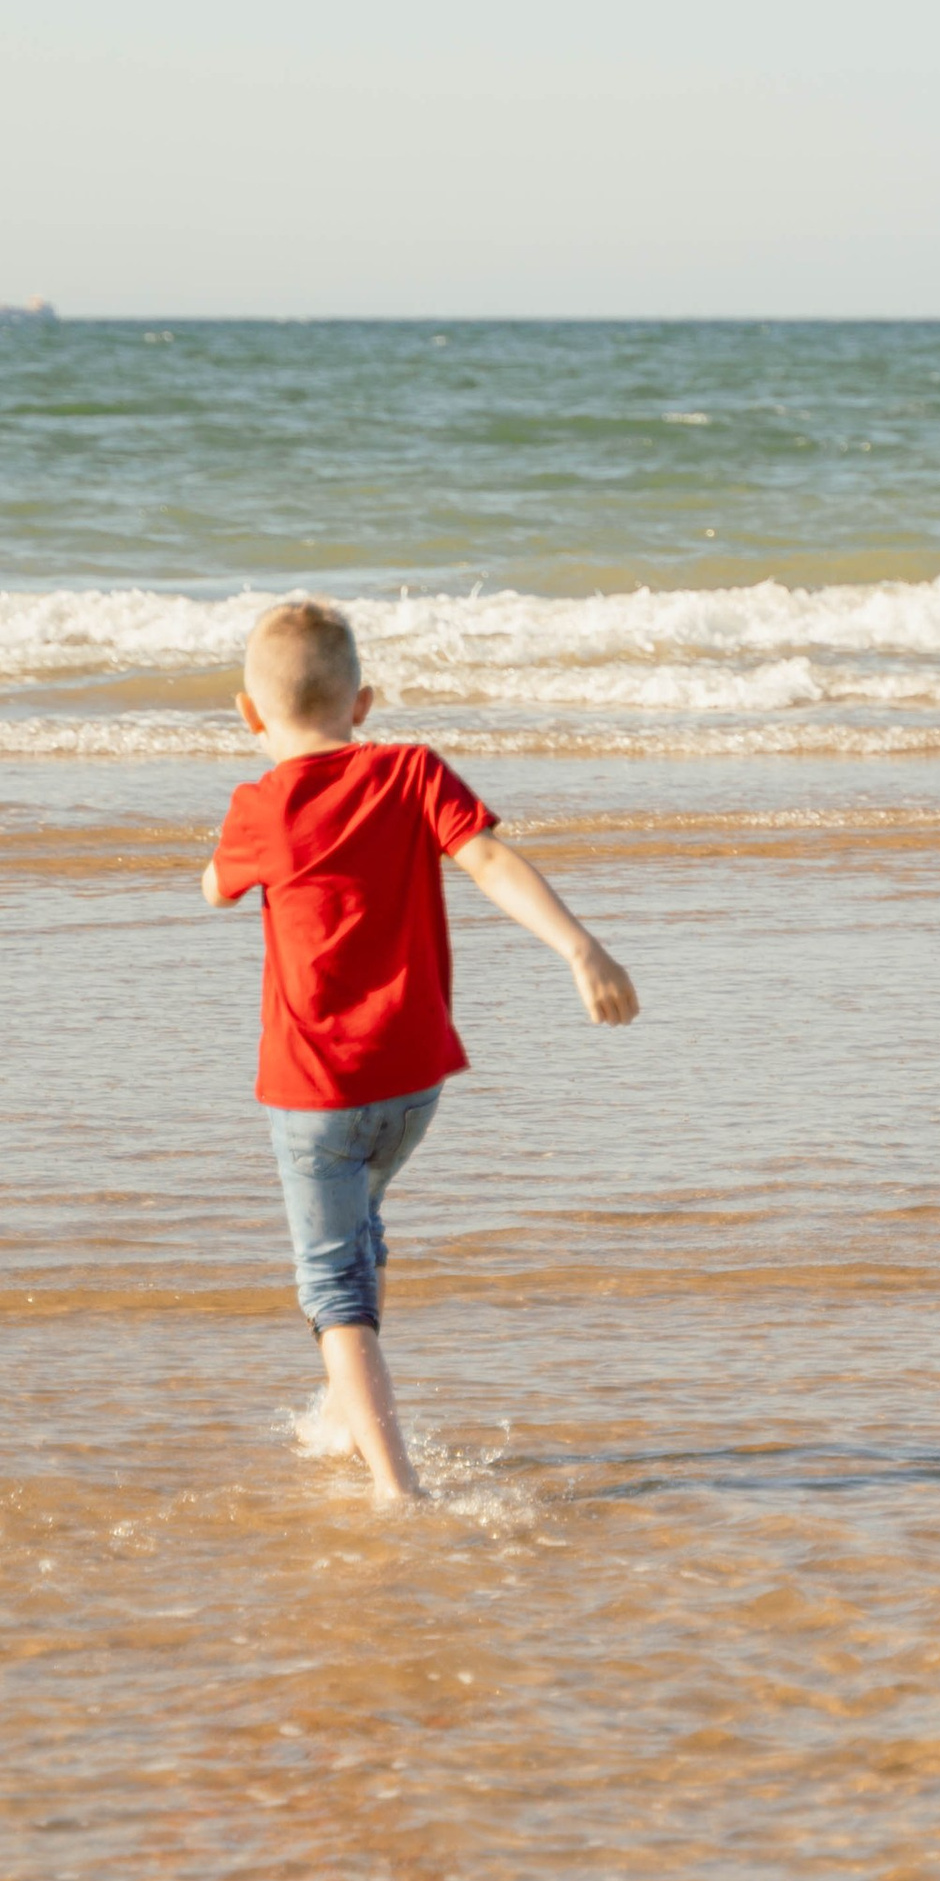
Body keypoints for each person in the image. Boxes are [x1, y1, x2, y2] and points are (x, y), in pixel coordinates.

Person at [202, 596, 638, 1503]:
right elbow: (488, 863)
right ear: (363, 703)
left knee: (334, 1291)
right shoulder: (410, 771)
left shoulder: (258, 806)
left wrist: (226, 863)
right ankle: (342, 1416)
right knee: (360, 1232)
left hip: (316, 1091)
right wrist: (579, 948)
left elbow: (215, 890)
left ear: (247, 715)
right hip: (413, 1083)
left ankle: (396, 1487)